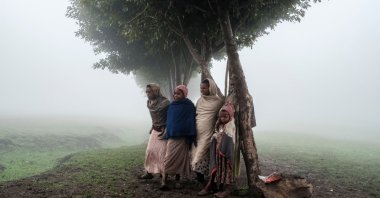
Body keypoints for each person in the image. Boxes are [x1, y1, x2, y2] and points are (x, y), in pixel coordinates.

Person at [160, 84, 197, 190]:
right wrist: (167, 131)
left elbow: (191, 121)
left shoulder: (189, 106)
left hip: (183, 138)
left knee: (180, 159)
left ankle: (178, 179)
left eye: (178, 93)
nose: (175, 95)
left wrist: (190, 134)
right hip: (172, 136)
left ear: (184, 94)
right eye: (175, 93)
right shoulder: (172, 106)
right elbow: (169, 121)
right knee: (168, 158)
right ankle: (164, 181)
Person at [198, 103, 236, 198]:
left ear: (230, 116)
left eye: (225, 116)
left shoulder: (230, 126)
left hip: (226, 155)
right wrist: (216, 136)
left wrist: (218, 136)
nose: (222, 118)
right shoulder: (219, 125)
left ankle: (227, 189)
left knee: (227, 171)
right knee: (216, 168)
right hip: (218, 154)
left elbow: (228, 138)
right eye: (221, 117)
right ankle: (211, 185)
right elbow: (217, 134)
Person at [191, 78, 223, 183]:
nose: (202, 90)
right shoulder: (200, 101)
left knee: (202, 153)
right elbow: (196, 114)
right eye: (201, 88)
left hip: (209, 132)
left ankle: (208, 179)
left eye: (204, 88)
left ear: (211, 88)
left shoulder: (218, 102)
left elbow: (221, 117)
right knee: (196, 153)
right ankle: (200, 178)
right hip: (197, 131)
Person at [139, 83, 170, 179]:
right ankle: (148, 172)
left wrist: (166, 127)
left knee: (161, 153)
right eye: (146, 92)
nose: (147, 93)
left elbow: (170, 116)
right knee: (149, 151)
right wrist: (152, 126)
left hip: (163, 130)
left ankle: (163, 174)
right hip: (155, 129)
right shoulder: (149, 102)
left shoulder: (165, 102)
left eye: (149, 91)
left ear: (156, 91)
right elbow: (154, 117)